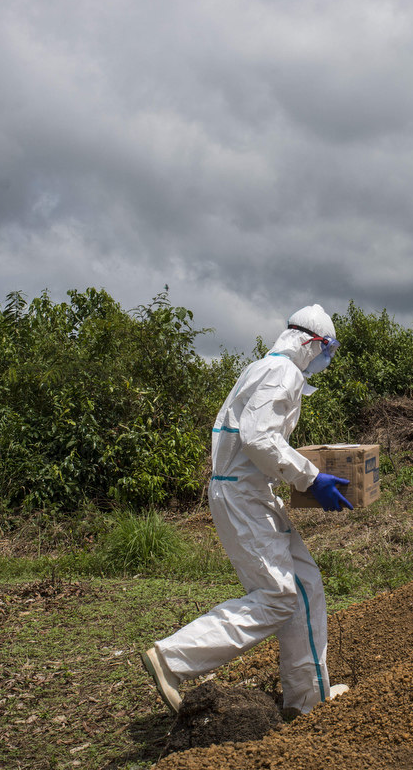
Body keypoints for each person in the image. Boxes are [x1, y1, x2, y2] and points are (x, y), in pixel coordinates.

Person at [141, 304, 352, 717]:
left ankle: (309, 701)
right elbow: (260, 439)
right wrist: (310, 478)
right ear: (312, 343)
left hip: (250, 492)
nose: (327, 358)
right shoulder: (283, 373)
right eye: (327, 349)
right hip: (243, 496)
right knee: (276, 596)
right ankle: (172, 659)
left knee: (305, 585)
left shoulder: (262, 368)